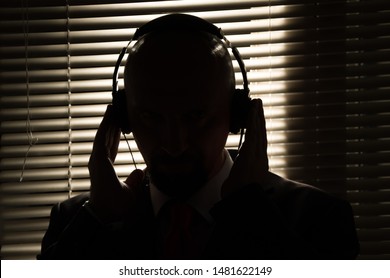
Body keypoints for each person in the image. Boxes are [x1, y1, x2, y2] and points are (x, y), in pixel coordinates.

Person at [38, 14, 359, 260]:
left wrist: (252, 214)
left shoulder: (320, 219)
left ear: (238, 116)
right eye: (150, 117)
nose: (174, 143)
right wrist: (96, 219)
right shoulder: (77, 223)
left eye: (196, 116)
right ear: (123, 118)